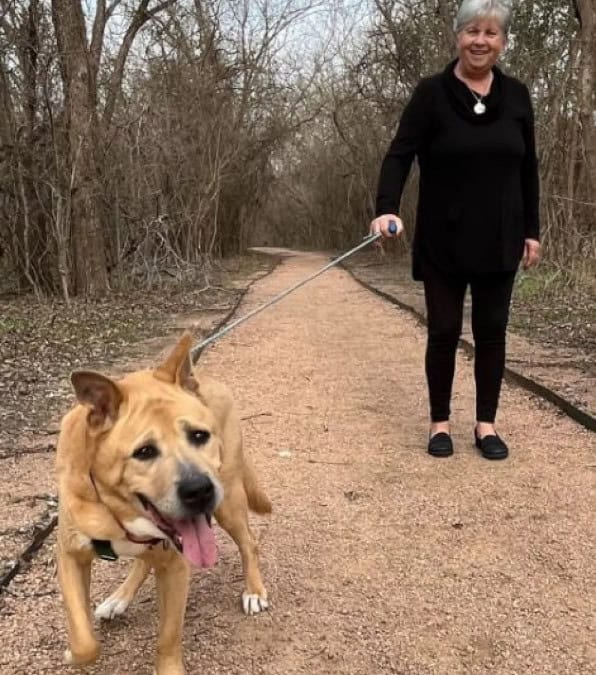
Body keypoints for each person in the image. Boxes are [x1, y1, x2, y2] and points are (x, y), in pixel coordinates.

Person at [370, 0, 540, 460]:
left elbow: (528, 170)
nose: (480, 41)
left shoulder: (519, 96)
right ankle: (439, 424)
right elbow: (399, 154)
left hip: (501, 237)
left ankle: (486, 425)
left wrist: (533, 230)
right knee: (443, 330)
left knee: (491, 331)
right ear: (457, 35)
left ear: (502, 41)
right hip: (442, 238)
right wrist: (387, 208)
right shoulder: (431, 94)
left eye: (490, 33)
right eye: (471, 31)